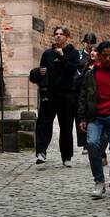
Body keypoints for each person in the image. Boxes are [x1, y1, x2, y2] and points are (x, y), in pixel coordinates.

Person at [77, 40, 110, 199]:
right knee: (92, 144)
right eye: (104, 56)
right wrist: (82, 117)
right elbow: (83, 97)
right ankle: (99, 181)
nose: (107, 59)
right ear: (98, 56)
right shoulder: (90, 74)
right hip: (95, 116)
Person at [35, 25, 81, 167]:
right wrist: (40, 73)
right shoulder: (47, 54)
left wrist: (62, 57)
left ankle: (66, 157)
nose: (58, 36)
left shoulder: (73, 53)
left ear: (67, 36)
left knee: (66, 127)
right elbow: (42, 73)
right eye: (56, 34)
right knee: (44, 123)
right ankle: (41, 152)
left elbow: (73, 70)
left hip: (67, 94)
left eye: (61, 34)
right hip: (50, 93)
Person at [76, 32, 98, 152]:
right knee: (82, 116)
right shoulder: (79, 55)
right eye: (87, 42)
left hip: (94, 90)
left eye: (91, 43)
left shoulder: (98, 54)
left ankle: (91, 142)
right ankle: (84, 142)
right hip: (81, 87)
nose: (89, 45)